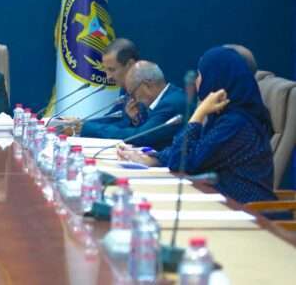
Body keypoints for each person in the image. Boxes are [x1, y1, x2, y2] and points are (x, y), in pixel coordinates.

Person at [118, 47, 276, 204]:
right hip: (221, 203)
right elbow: (190, 151)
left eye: (200, 74)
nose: (197, 81)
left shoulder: (235, 124)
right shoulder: (224, 117)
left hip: (247, 212)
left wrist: (198, 114)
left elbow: (181, 162)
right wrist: (153, 158)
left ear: (216, 78)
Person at [82, 61, 186, 150]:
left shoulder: (170, 104)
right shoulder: (168, 97)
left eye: (132, 93)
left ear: (147, 85)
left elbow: (141, 137)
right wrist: (136, 120)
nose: (133, 99)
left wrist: (87, 127)